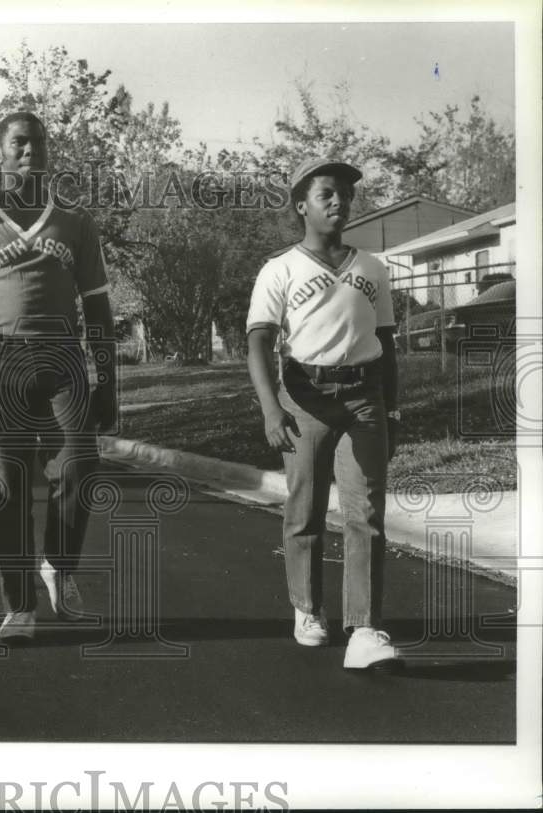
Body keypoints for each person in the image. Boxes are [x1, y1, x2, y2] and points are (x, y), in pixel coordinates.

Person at [0, 111, 117, 642]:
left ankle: (58, 567)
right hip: (0, 359)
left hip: (63, 356)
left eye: (38, 142)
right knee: (8, 484)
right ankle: (20, 604)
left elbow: (99, 309)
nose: (30, 151)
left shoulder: (75, 220)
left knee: (81, 467)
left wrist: (108, 382)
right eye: (18, 143)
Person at [245, 157, 401, 670]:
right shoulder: (280, 268)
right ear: (302, 206)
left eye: (345, 196)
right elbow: (259, 342)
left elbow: (385, 343)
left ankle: (364, 627)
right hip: (304, 396)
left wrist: (393, 411)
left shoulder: (372, 267)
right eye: (327, 195)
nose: (339, 203)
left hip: (364, 397)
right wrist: (271, 409)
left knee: (366, 513)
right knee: (305, 509)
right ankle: (308, 609)